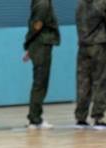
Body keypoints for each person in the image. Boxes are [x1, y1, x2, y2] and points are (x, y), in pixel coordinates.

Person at [75, 0, 106, 128]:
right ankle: (98, 117)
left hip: (83, 46)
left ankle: (81, 118)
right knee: (100, 81)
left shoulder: (80, 3)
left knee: (83, 82)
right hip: (100, 46)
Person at [22, 0, 61, 130]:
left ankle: (35, 118)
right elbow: (36, 26)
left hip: (39, 45)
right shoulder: (43, 3)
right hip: (41, 46)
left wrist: (30, 47)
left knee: (40, 83)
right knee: (40, 83)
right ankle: (34, 119)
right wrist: (29, 45)